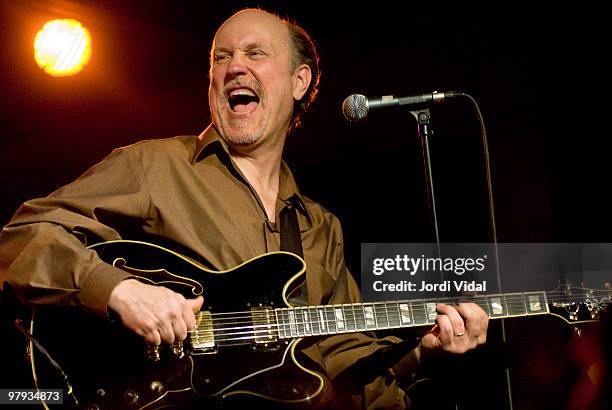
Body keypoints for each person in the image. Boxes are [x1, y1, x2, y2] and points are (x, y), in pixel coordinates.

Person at [0, 8, 488, 409]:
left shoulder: (319, 226)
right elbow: (22, 236)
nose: (235, 67)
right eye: (221, 57)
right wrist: (119, 290)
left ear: (300, 82)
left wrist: (422, 353)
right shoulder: (156, 165)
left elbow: (336, 363)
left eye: (256, 53)